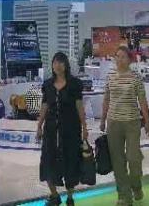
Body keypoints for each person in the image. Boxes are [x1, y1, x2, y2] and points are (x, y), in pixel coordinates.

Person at [100, 46, 149, 206]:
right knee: (118, 161)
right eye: (117, 56)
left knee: (133, 158)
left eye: (123, 57)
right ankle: (124, 195)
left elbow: (142, 100)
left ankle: (136, 185)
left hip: (132, 123)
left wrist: (147, 121)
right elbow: (106, 99)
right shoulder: (110, 76)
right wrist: (102, 120)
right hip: (113, 123)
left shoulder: (136, 77)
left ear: (129, 59)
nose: (119, 59)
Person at [37, 52, 89, 206]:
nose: (57, 65)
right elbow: (45, 106)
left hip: (71, 130)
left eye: (60, 62)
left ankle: (70, 197)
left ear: (66, 65)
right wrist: (39, 125)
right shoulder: (47, 85)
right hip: (51, 130)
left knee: (71, 160)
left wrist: (84, 127)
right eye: (55, 62)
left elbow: (79, 106)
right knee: (48, 160)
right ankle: (54, 196)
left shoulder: (74, 84)